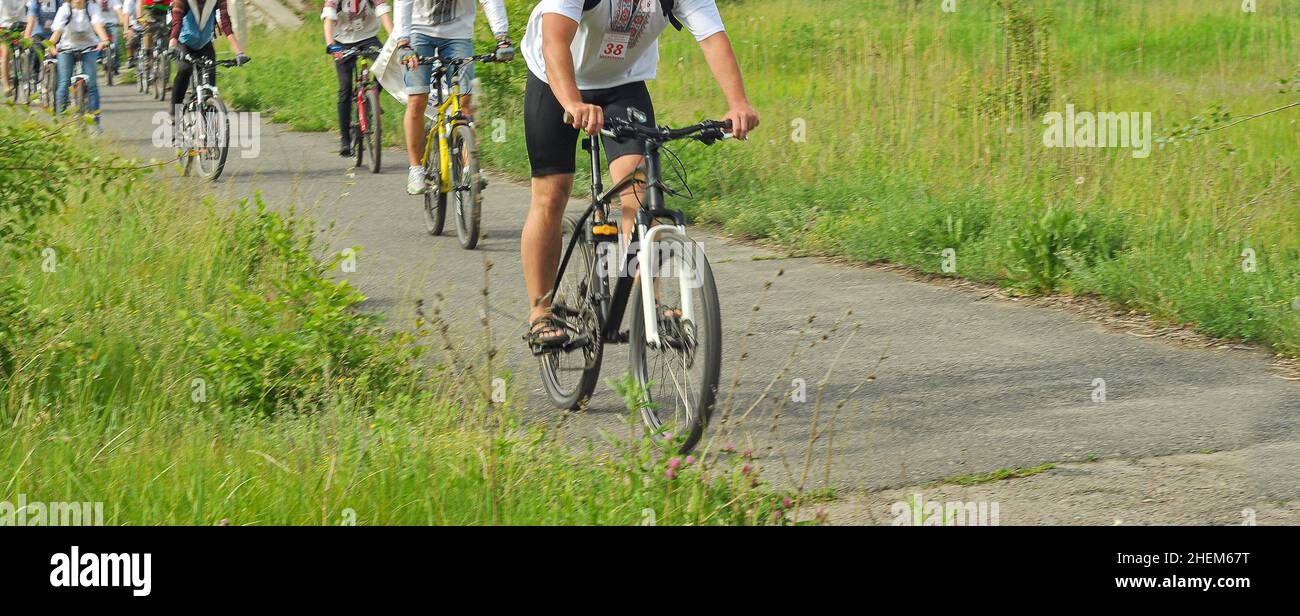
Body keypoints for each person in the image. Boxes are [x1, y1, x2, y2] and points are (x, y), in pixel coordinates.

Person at [518, 0, 757, 346]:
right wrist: (572, 103)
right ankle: (540, 313)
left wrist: (738, 104)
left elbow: (712, 37)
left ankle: (651, 304)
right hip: (555, 79)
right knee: (552, 192)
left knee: (639, 193)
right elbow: (554, 40)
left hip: (621, 85)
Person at [391, 0, 513, 195]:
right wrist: (403, 42)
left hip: (458, 35)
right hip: (418, 32)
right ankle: (416, 169)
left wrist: (502, 37)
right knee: (417, 100)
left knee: (466, 102)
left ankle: (469, 168)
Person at [322, 0, 392, 157]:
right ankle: (345, 140)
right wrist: (331, 44)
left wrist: (395, 38)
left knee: (387, 64)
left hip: (368, 38)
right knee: (345, 88)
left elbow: (383, 12)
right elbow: (328, 18)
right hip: (342, 41)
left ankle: (372, 96)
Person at [167, 0, 247, 123]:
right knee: (185, 69)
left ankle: (209, 123)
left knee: (209, 83)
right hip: (183, 43)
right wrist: (172, 46)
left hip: (204, 44)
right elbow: (177, 22)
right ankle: (174, 110)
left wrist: (239, 52)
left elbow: (225, 24)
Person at [48, 0, 110, 126]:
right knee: (64, 83)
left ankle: (95, 123)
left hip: (89, 47)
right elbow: (58, 30)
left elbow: (97, 24)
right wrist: (51, 45)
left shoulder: (92, 7)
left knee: (92, 85)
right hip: (67, 48)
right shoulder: (65, 9)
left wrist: (104, 39)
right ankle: (60, 123)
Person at [1, 0, 27, 95]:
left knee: (26, 47)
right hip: (5, 26)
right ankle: (6, 85)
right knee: (6, 53)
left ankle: (27, 74)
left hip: (20, 25)